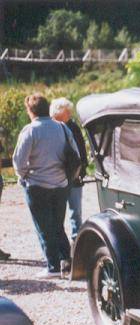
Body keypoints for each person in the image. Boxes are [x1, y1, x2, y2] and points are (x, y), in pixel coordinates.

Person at [12, 93, 80, 278]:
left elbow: (19, 161)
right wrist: (68, 178)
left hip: (37, 185)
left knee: (44, 227)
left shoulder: (30, 130)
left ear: (30, 111)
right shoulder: (62, 128)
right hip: (61, 184)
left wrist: (23, 177)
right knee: (58, 225)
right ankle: (67, 263)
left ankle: (52, 267)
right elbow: (75, 155)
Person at [50, 98, 87, 242]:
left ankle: (77, 242)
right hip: (56, 178)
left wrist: (81, 171)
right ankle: (62, 247)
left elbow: (82, 151)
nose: (70, 114)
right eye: (68, 112)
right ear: (58, 113)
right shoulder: (50, 128)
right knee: (57, 215)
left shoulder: (73, 127)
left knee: (76, 213)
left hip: (74, 178)